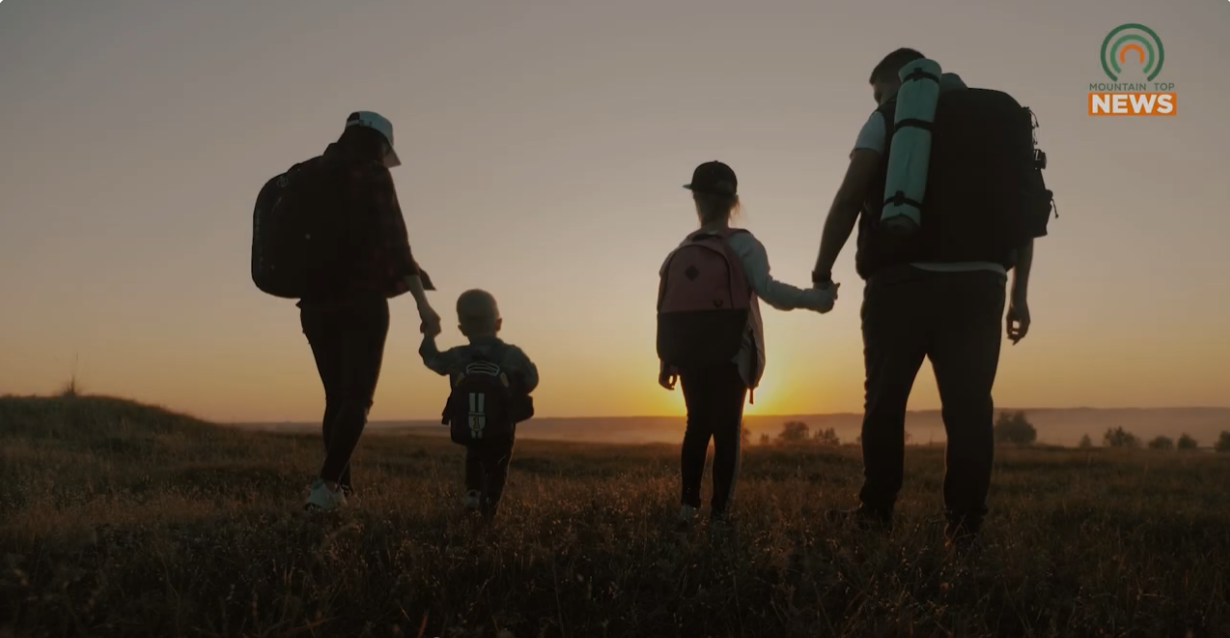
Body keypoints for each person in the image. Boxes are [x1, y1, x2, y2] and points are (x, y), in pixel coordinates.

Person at [810, 48, 1041, 549]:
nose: (879, 99)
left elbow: (851, 194)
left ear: (897, 81)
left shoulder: (891, 115)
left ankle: (875, 514)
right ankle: (964, 529)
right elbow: (1025, 213)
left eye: (878, 91)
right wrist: (1018, 297)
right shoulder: (999, 118)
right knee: (969, 411)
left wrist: (823, 269)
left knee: (886, 403)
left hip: (901, 284)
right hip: (980, 286)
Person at [658, 161, 839, 531]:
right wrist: (818, 299)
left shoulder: (682, 248)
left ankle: (687, 511)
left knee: (696, 427)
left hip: (689, 353)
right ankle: (720, 517)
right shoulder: (743, 244)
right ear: (733, 201)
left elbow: (668, 308)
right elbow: (770, 291)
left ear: (696, 199)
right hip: (732, 351)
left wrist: (667, 359)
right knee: (727, 430)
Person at [301, 111, 443, 512]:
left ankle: (341, 492)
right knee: (358, 398)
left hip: (313, 305)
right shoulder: (373, 174)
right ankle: (325, 486)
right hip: (362, 301)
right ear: (379, 144)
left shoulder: (308, 174)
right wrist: (424, 306)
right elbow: (399, 247)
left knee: (336, 398)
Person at [420, 289, 539, 522]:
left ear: (462, 329)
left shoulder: (458, 355)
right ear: (499, 323)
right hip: (501, 425)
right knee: (498, 464)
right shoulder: (510, 354)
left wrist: (428, 336)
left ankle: (472, 493)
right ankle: (489, 509)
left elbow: (432, 359)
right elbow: (532, 378)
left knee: (474, 452)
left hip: (467, 421)